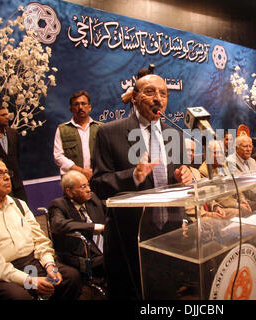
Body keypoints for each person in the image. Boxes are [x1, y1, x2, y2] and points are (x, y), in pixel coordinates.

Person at [90, 73, 192, 300]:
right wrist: (133, 176)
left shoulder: (174, 133)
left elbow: (179, 178)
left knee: (165, 295)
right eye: (150, 92)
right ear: (134, 97)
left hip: (170, 234)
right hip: (128, 237)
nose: (158, 98)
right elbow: (97, 185)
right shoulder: (109, 133)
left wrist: (184, 176)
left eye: (163, 93)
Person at [0, 157, 82, 300]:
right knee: (19, 296)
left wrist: (49, 265)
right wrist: (29, 280)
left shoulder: (19, 204)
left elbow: (40, 240)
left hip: (29, 264)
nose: (6, 177)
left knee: (70, 278)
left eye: (7, 172)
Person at [48, 170, 107, 278]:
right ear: (69, 192)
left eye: (88, 185)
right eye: (83, 187)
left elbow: (107, 209)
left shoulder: (92, 198)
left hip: (104, 249)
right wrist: (93, 227)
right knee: (117, 258)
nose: (89, 190)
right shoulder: (59, 205)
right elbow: (57, 225)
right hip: (82, 255)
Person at [54, 90, 102, 180]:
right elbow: (58, 156)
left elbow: (107, 154)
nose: (80, 107)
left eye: (83, 103)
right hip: (72, 180)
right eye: (76, 104)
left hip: (97, 177)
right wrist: (81, 171)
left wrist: (94, 171)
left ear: (89, 107)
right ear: (71, 109)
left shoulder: (100, 128)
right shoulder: (62, 129)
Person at [199, 140, 252, 216]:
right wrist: (237, 205)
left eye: (221, 152)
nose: (219, 155)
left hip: (236, 202)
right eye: (215, 153)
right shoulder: (204, 171)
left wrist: (242, 199)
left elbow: (236, 185)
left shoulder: (225, 166)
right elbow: (218, 197)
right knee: (242, 213)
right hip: (223, 206)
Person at [226, 134, 256, 208]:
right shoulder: (230, 162)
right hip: (244, 200)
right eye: (245, 146)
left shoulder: (252, 161)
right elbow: (243, 185)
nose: (248, 149)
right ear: (236, 148)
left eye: (250, 146)